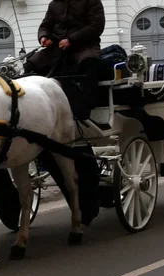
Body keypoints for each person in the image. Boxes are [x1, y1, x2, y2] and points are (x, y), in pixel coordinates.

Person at [25, 0, 105, 226]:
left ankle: (82, 107)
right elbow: (45, 25)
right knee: (31, 66)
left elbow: (96, 25)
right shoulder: (54, 4)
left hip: (82, 47)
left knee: (90, 64)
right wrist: (44, 38)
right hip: (56, 50)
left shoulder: (91, 1)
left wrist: (73, 39)